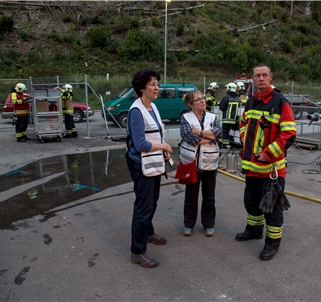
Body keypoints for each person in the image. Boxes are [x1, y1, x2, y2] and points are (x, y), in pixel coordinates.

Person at [236, 62, 297, 261]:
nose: (260, 78)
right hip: (252, 167)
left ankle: (272, 243)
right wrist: (244, 139)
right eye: (257, 75)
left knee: (272, 210)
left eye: (264, 75)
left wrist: (268, 154)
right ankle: (254, 230)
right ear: (252, 79)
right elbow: (243, 123)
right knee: (251, 202)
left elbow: (288, 134)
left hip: (272, 169)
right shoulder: (251, 101)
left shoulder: (280, 102)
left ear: (271, 77)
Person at [126, 69, 173, 268]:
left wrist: (164, 150)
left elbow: (157, 133)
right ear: (141, 87)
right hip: (140, 164)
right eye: (152, 84)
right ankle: (137, 251)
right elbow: (140, 144)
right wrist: (164, 146)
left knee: (152, 201)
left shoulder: (152, 107)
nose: (157, 88)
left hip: (154, 162)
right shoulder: (136, 111)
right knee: (143, 206)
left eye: (157, 84)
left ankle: (148, 232)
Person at [179, 90, 222, 237]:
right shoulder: (185, 118)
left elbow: (219, 133)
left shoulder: (212, 117)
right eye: (198, 100)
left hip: (210, 162)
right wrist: (210, 137)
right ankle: (188, 224)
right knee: (191, 195)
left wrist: (199, 132)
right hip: (191, 163)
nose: (202, 101)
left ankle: (209, 224)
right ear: (191, 105)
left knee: (209, 196)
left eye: (202, 98)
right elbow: (189, 138)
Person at [219, 82, 240, 147]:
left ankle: (225, 145)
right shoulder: (237, 98)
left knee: (225, 131)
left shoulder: (226, 97)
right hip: (234, 119)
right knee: (231, 132)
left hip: (226, 118)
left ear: (229, 88)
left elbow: (222, 107)